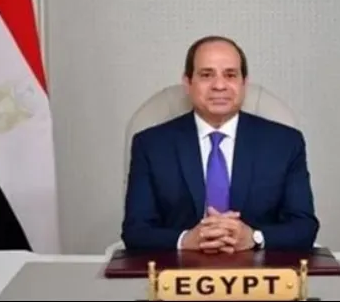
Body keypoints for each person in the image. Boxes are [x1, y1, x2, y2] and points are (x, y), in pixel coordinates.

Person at [120, 36, 319, 253]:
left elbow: (304, 227)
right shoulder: (151, 145)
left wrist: (254, 237)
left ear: (244, 83)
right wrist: (186, 240)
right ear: (188, 83)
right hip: (179, 268)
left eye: (230, 75)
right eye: (206, 75)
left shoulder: (285, 143)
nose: (219, 85)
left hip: (259, 267)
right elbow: (136, 230)